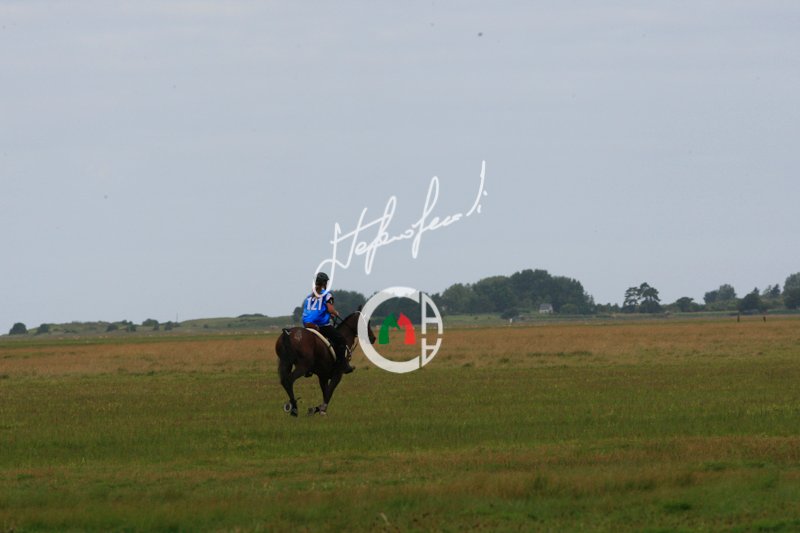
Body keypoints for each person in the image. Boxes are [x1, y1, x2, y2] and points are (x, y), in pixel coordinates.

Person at [302, 272, 354, 374]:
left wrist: (327, 315)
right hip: (321, 326)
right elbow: (330, 309)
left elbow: (312, 311)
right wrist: (335, 313)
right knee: (341, 340)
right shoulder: (327, 294)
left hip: (307, 324)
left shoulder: (309, 297)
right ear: (325, 283)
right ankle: (342, 365)